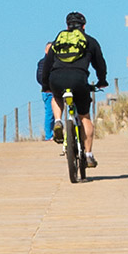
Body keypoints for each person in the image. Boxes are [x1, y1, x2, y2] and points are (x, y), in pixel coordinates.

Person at [35, 12, 108, 167]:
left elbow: (47, 63)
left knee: (56, 97)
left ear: (67, 26)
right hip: (79, 81)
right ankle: (88, 154)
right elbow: (100, 64)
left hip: (57, 79)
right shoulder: (90, 41)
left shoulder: (58, 41)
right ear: (84, 26)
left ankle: (58, 121)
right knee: (84, 117)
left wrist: (46, 85)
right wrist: (102, 80)